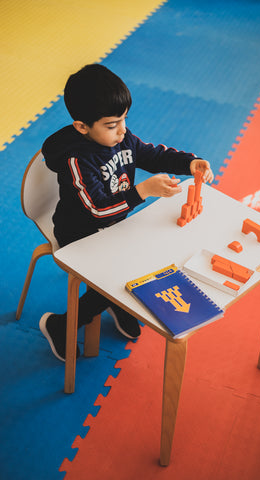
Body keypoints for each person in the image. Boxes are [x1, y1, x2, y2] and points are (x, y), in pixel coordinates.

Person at [39, 63, 214, 362]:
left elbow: (152, 154)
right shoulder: (76, 160)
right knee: (118, 276)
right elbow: (96, 209)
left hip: (113, 227)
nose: (122, 130)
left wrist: (189, 163)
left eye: (124, 120)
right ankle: (60, 324)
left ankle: (116, 302)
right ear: (82, 127)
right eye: (111, 125)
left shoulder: (121, 137)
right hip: (78, 234)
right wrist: (142, 191)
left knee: (147, 257)